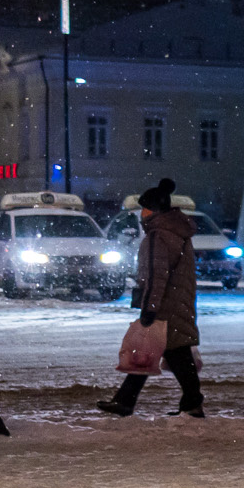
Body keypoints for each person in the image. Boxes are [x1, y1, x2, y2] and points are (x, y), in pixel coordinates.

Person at [97, 178, 204, 418]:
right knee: (153, 351)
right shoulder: (177, 233)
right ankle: (126, 400)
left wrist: (149, 307)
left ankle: (192, 403)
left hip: (166, 305)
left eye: (144, 208)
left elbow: (157, 276)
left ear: (152, 210)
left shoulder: (159, 236)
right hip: (178, 300)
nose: (142, 214)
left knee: (174, 354)